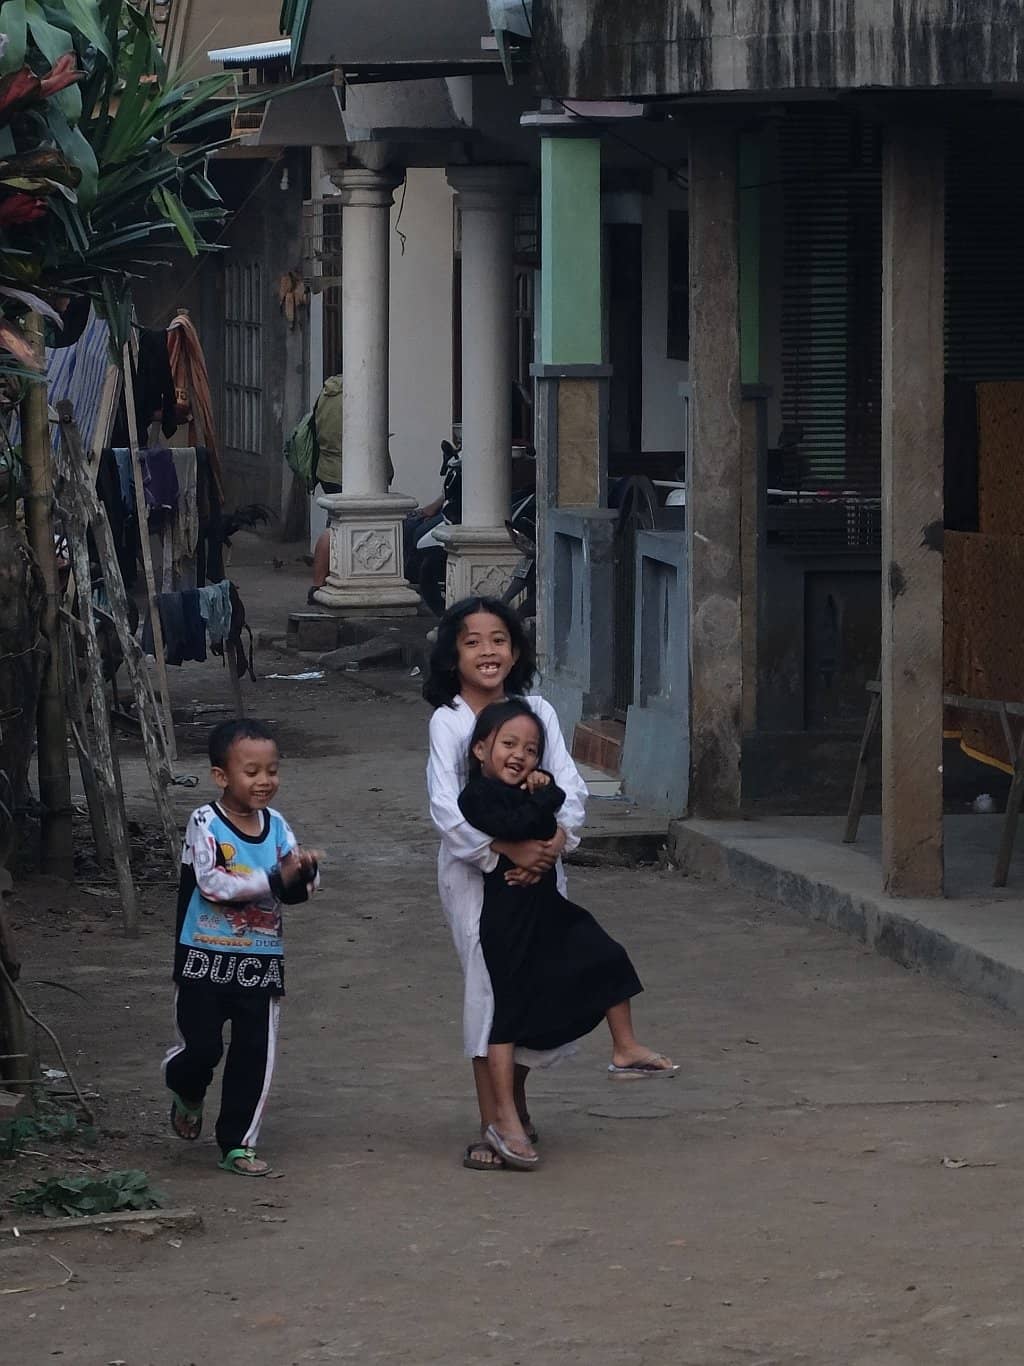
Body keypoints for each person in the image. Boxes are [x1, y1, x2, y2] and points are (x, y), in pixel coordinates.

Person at [424, 597, 676, 1172]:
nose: (488, 651)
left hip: (541, 872)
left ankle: (515, 1106)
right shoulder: (451, 721)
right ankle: (494, 1121)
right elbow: (445, 807)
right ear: (453, 654)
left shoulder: (537, 709)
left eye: (499, 640)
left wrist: (554, 845)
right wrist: (506, 851)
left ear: (515, 650)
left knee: (535, 981)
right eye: (473, 641)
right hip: (476, 875)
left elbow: (570, 785)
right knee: (490, 992)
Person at [459, 700, 649, 1170]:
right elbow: (521, 825)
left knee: (606, 955)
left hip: (547, 907)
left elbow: (548, 826)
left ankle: (624, 1048)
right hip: (507, 920)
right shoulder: (477, 797)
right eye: (508, 745)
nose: (520, 756)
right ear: (481, 749)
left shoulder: (525, 789)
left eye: (531, 749)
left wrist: (544, 820)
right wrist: (543, 798)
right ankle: (505, 1121)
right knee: (506, 1018)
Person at [163, 719, 321, 1177]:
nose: (264, 781)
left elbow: (296, 886)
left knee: (254, 1055)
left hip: (260, 962)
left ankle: (237, 1143)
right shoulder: (204, 822)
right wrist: (276, 877)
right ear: (221, 776)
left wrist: (305, 874)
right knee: (201, 1050)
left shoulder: (278, 827)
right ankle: (184, 1085)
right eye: (251, 771)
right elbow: (213, 884)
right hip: (201, 959)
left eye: (272, 770)